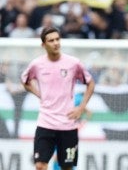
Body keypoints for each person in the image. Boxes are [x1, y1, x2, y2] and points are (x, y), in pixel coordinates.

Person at [21, 26, 95, 170]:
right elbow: (25, 81)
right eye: (51, 40)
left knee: (66, 167)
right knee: (40, 166)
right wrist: (40, 94)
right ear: (43, 45)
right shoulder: (37, 64)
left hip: (67, 124)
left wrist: (81, 107)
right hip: (45, 123)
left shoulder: (73, 63)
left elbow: (90, 83)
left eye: (57, 39)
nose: (55, 43)